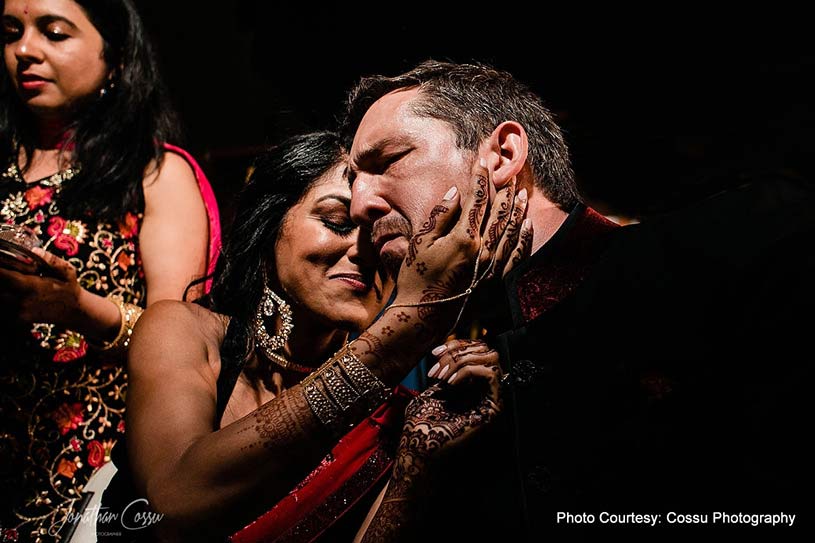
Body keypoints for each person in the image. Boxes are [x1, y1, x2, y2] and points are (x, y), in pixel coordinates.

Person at [341, 60, 812, 541]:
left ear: (502, 155)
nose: (360, 204)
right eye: (353, 182)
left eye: (387, 162)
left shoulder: (741, 243)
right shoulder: (446, 393)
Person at [105, 131, 521, 542]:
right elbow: (174, 504)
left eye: (383, 235)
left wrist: (418, 459)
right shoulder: (185, 331)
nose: (362, 251)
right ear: (269, 225)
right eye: (337, 222)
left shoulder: (392, 408)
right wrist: (407, 327)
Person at [0, 0, 220, 540]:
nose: (25, 50)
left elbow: (178, 344)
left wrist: (76, 308)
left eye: (54, 33)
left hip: (87, 472)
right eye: (11, 32)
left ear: (117, 59)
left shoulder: (153, 174)